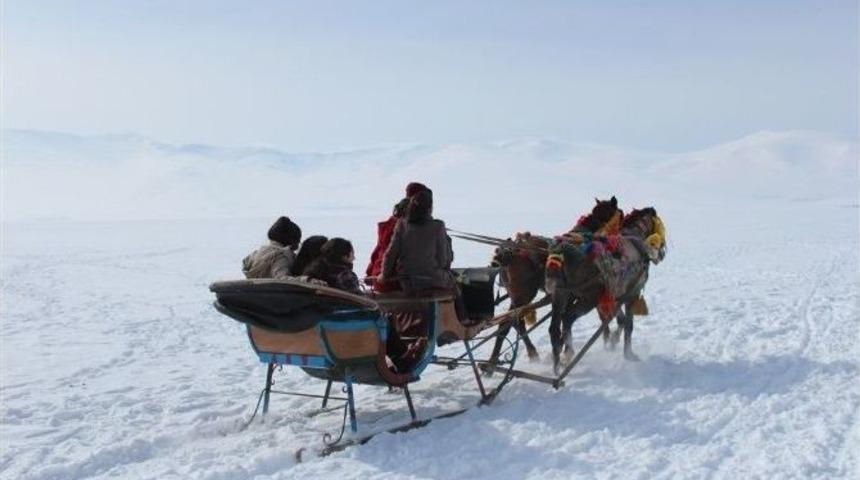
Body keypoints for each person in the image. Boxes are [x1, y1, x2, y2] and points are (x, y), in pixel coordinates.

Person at [379, 189, 455, 294]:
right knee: (456, 286)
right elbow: (442, 261)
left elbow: (391, 254)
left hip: (409, 282)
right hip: (433, 280)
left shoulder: (401, 225)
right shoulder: (438, 226)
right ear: (430, 209)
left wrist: (384, 275)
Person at [366, 182, 430, 292]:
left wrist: (369, 274)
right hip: (399, 281)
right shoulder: (414, 227)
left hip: (378, 279)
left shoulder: (387, 225)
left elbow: (378, 252)